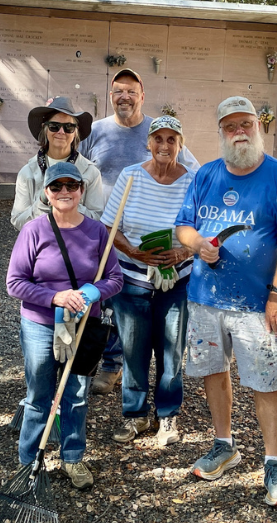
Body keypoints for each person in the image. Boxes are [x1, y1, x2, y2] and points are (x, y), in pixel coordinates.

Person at [175, 96, 277, 507]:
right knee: (213, 371)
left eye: (246, 123)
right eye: (230, 125)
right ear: (220, 132)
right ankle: (224, 445)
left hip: (257, 304)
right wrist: (197, 243)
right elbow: (183, 225)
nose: (239, 132)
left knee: (265, 382)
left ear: (258, 126)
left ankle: (273, 461)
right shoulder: (206, 175)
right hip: (205, 299)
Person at [78, 69, 199, 396]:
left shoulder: (159, 131)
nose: (124, 97)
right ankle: (111, 364)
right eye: (118, 91)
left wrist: (187, 245)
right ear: (111, 95)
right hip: (109, 235)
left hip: (157, 249)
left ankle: (121, 371)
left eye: (131, 91)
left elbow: (194, 177)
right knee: (112, 306)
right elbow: (77, 174)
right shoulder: (97, 132)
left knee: (150, 322)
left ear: (142, 96)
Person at [6, 162, 123, 489]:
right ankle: (29, 461)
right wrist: (55, 297)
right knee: (39, 393)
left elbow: (115, 279)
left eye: (72, 186)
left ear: (82, 191)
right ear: (46, 192)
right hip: (42, 323)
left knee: (75, 393)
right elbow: (14, 283)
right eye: (56, 187)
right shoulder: (33, 231)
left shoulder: (98, 232)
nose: (64, 192)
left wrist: (90, 291)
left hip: (80, 325)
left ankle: (72, 458)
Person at [101, 115, 196, 446]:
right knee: (133, 349)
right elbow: (110, 228)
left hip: (177, 281)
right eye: (159, 138)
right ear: (148, 143)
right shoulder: (130, 177)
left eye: (172, 139)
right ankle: (135, 416)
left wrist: (184, 252)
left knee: (172, 351)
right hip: (133, 280)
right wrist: (136, 253)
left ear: (181, 145)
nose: (165, 146)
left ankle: (167, 417)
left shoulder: (193, 181)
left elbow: (203, 232)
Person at [10, 96, 104, 230]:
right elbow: (18, 222)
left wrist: (71, 203)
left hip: (77, 247)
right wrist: (42, 202)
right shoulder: (27, 172)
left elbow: (97, 219)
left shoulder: (91, 172)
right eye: (54, 126)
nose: (61, 132)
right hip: (40, 247)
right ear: (45, 128)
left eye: (68, 127)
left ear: (75, 131)